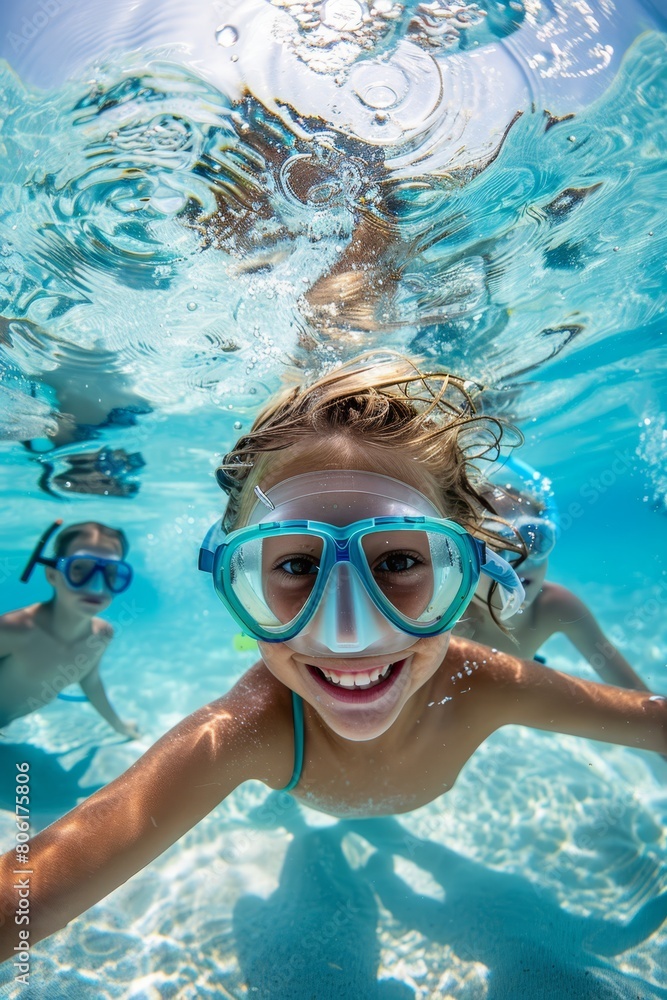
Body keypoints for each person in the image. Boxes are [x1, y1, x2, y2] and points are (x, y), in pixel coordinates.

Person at [0, 353, 664, 959]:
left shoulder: (484, 680)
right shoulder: (248, 728)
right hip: (305, 792)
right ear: (239, 581)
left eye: (400, 560)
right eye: (294, 565)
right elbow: (34, 892)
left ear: (465, 571)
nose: (349, 634)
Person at [456, 474, 653, 691]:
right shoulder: (448, 620)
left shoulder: (555, 606)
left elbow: (636, 694)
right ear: (463, 557)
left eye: (535, 539)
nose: (521, 560)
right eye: (496, 546)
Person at [0, 520, 139, 739]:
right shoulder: (14, 629)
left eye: (111, 572)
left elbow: (90, 681)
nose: (96, 586)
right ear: (53, 575)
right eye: (80, 569)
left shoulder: (102, 635)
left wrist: (120, 727)